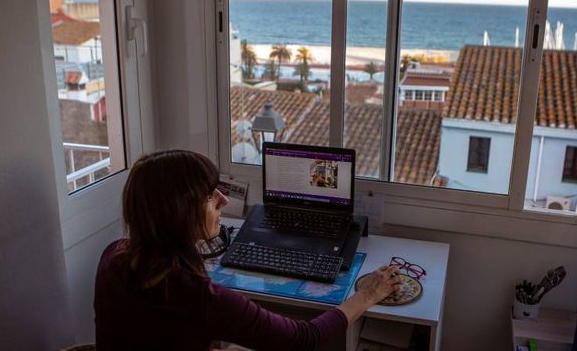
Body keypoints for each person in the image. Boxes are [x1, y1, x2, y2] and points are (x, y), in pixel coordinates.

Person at [94, 150, 401, 351]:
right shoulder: (197, 297)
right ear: (179, 212)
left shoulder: (113, 256)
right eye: (209, 196)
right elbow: (304, 339)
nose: (223, 201)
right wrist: (368, 295)